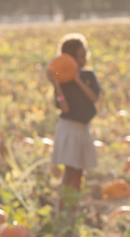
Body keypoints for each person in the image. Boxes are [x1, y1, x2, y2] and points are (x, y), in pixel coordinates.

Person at [45, 33, 100, 213]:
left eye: (85, 56)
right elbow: (65, 108)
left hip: (84, 129)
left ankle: (72, 209)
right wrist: (56, 84)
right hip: (69, 129)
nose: (84, 60)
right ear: (69, 58)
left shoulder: (88, 76)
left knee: (79, 172)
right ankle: (63, 209)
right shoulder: (62, 81)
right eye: (79, 57)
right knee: (70, 172)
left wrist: (77, 78)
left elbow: (93, 98)